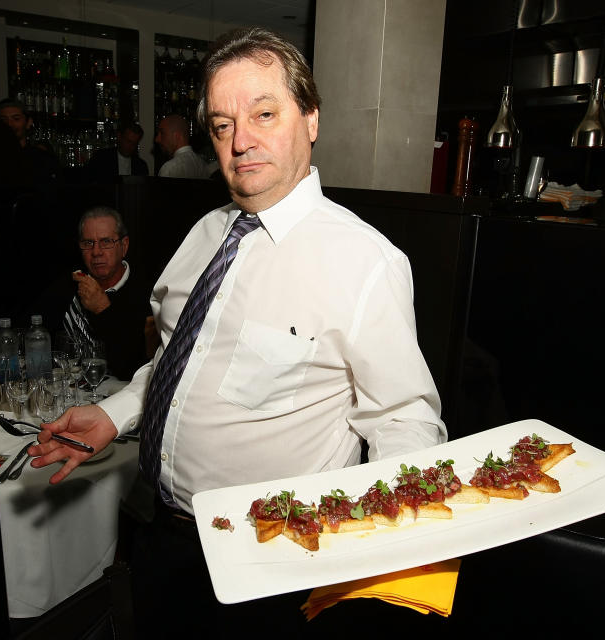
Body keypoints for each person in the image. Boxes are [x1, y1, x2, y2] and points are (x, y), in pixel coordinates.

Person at [30, 27, 445, 633]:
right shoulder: (205, 233)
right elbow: (179, 359)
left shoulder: (364, 263)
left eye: (264, 113)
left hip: (268, 566)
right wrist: (116, 412)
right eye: (222, 125)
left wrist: (376, 549)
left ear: (311, 119)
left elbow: (405, 419)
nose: (240, 141)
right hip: (157, 537)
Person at [25, 206, 152, 381]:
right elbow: (30, 330)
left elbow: (134, 370)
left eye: (106, 242)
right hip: (69, 393)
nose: (96, 252)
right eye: (88, 243)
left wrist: (103, 309)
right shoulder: (69, 283)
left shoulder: (147, 294)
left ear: (124, 246)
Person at [0, 97, 59, 184]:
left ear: (28, 122)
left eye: (16, 119)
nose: (9, 124)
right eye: (3, 120)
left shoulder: (40, 158)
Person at [154, 114, 212, 178]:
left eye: (162, 133)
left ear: (177, 136)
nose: (157, 139)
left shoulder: (170, 168)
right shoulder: (203, 165)